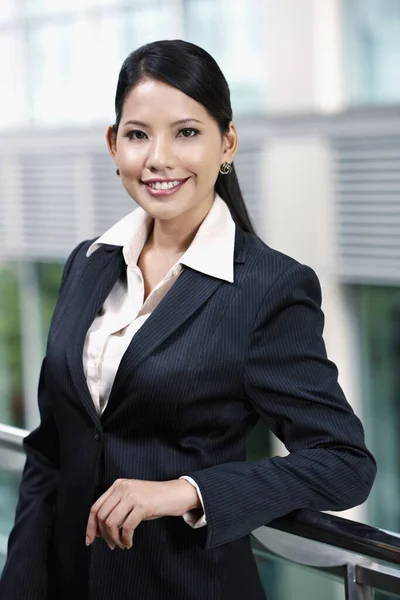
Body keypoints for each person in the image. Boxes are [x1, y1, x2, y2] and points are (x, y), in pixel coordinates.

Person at [0, 39, 376, 600]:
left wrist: (187, 491)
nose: (158, 158)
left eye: (187, 132)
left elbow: (344, 464)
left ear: (227, 143)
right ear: (113, 144)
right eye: (137, 134)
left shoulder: (267, 288)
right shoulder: (87, 263)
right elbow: (51, 453)